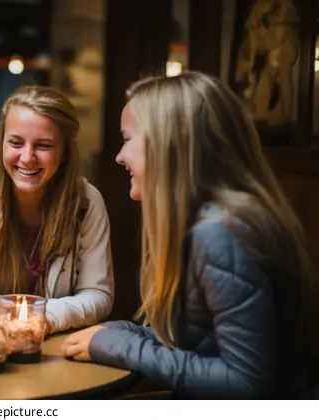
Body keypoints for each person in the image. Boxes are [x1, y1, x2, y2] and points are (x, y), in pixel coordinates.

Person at [61, 71, 318, 399]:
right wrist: (123, 334)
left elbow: (246, 384)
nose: (119, 156)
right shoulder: (209, 222)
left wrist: (125, 346)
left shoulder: (223, 234)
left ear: (168, 142)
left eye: (127, 139)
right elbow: (197, 345)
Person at [0, 85, 114, 334]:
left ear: (64, 151)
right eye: (16, 142)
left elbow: (98, 295)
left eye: (43, 145)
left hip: (54, 344)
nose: (27, 157)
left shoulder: (86, 202)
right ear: (1, 143)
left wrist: (45, 318)